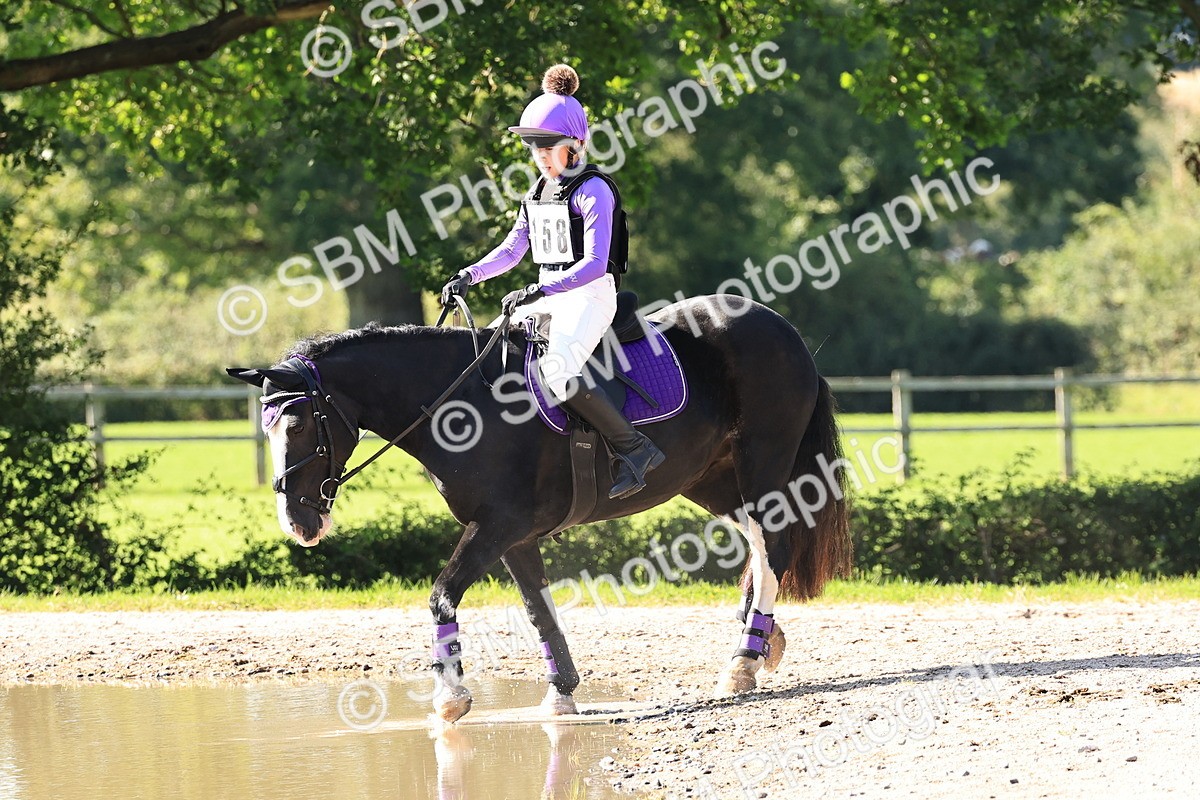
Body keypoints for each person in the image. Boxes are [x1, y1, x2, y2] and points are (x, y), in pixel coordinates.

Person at [439, 64, 664, 500]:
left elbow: (597, 264)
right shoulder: (538, 191)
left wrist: (541, 289)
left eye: (548, 147)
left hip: (589, 297)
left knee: (558, 374)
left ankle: (635, 449)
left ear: (575, 146)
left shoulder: (593, 190)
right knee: (495, 349)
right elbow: (511, 250)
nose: (540, 155)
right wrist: (468, 275)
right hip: (550, 296)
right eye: (534, 147)